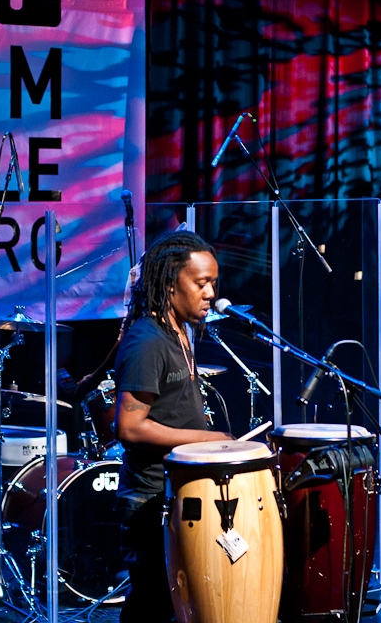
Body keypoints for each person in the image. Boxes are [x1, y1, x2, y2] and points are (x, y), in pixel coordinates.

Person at [113, 230, 233, 622]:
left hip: (175, 490)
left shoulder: (182, 332)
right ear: (169, 283)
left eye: (213, 283)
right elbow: (130, 427)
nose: (211, 293)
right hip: (149, 499)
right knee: (151, 603)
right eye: (201, 283)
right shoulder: (148, 342)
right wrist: (208, 438)